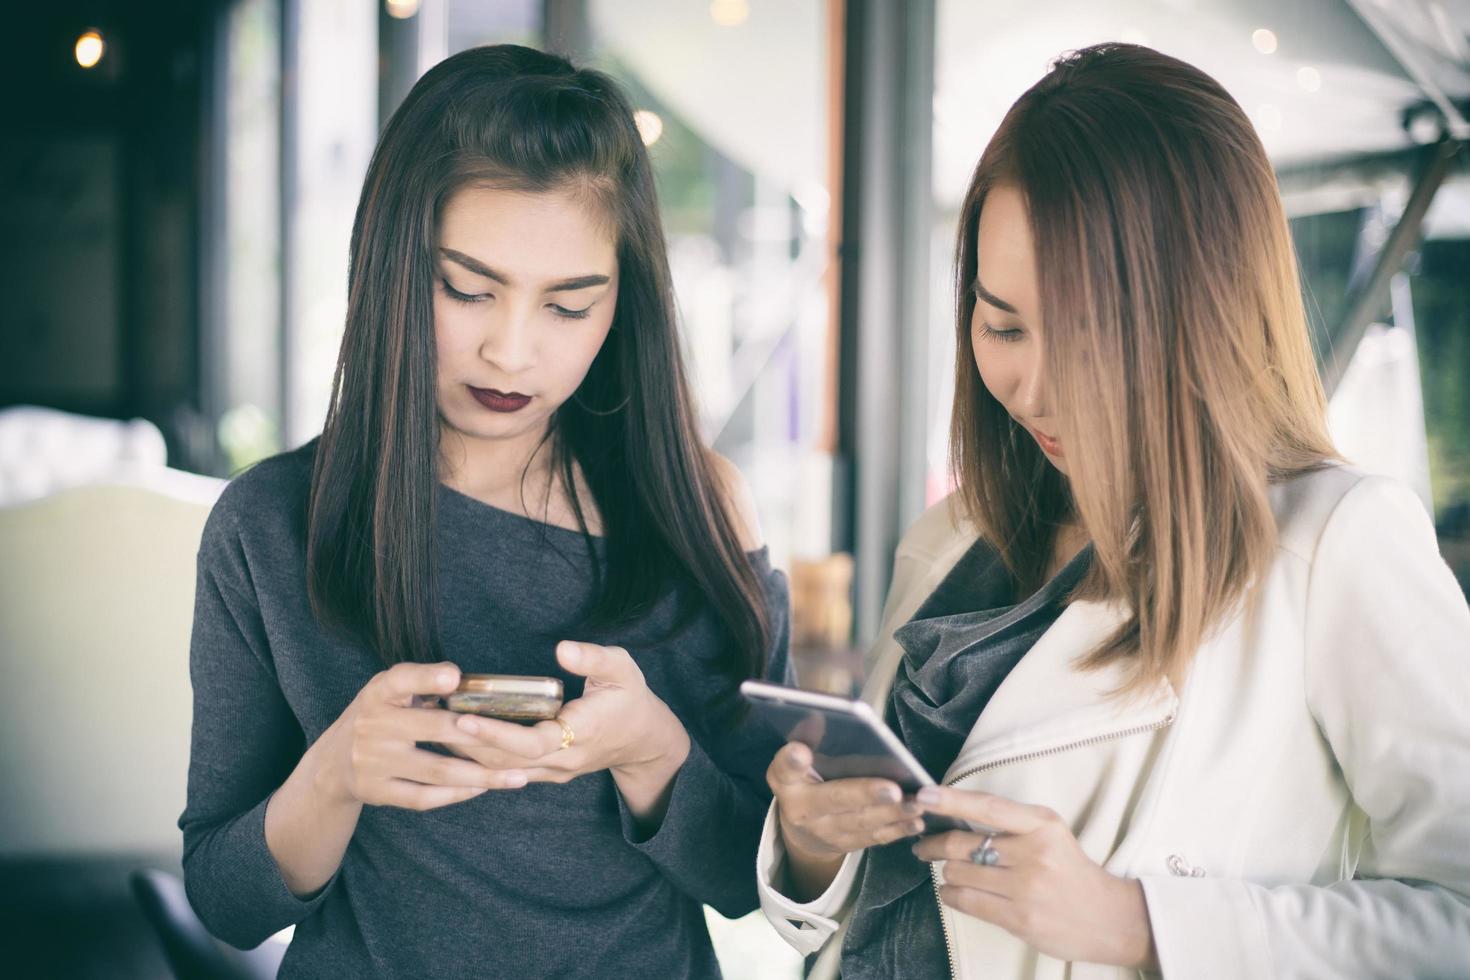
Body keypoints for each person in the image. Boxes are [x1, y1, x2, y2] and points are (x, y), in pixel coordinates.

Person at [758, 43, 1470, 978]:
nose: (1038, 388)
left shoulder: (1334, 539)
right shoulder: (956, 537)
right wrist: (813, 844)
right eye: (1002, 324)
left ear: (1205, 313)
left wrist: (1139, 925)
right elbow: (893, 900)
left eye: (1094, 333)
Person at [180, 44, 790, 979]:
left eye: (568, 306)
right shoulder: (270, 525)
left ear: (623, 303)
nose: (511, 353)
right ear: (389, 267)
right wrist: (337, 772)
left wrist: (653, 753)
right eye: (466, 289)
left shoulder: (698, 509)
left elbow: (759, 878)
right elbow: (224, 900)